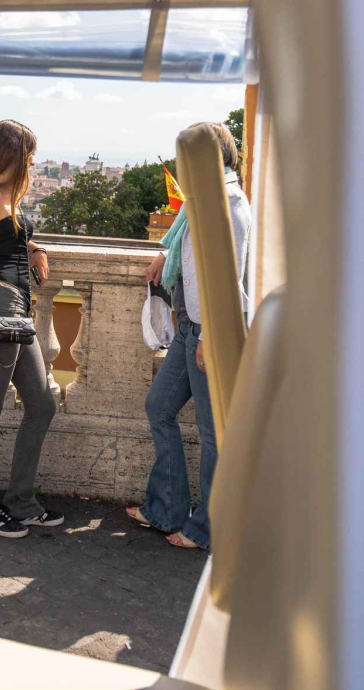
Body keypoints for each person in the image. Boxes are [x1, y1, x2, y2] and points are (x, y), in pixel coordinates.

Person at [128, 121, 251, 550]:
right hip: (189, 326)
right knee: (159, 407)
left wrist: (211, 336)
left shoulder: (229, 203)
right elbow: (192, 250)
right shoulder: (202, 200)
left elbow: (230, 276)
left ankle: (208, 530)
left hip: (210, 330)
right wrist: (166, 256)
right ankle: (166, 509)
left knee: (214, 432)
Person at [0, 120, 63, 537]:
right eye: (30, 153)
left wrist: (36, 248)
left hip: (18, 309)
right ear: (13, 154)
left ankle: (20, 501)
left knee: (42, 404)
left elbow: (8, 240)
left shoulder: (7, 196)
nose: (34, 161)